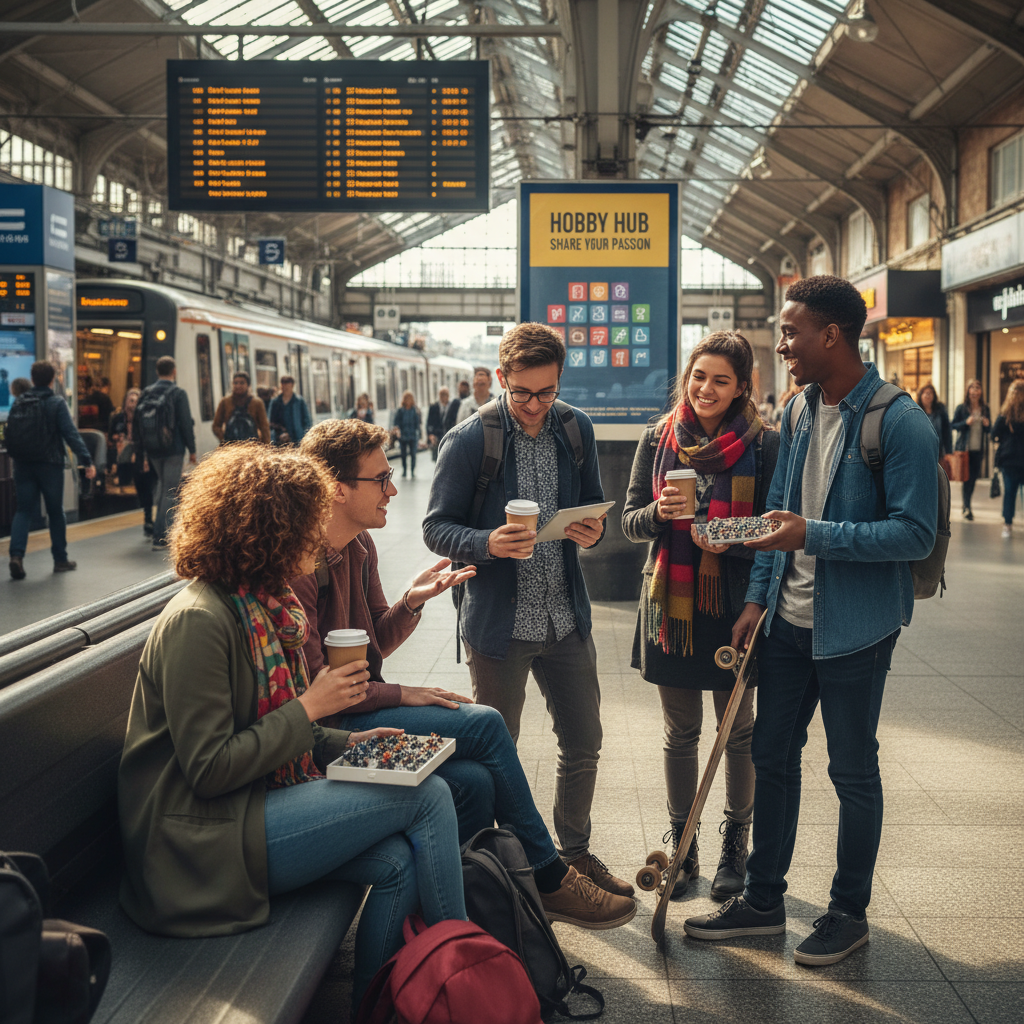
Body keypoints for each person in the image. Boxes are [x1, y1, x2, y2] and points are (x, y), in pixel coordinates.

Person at [117, 444, 467, 1010]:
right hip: (197, 844)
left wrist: (347, 741)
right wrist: (309, 709)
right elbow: (209, 770)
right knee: (427, 797)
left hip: (244, 810)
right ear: (270, 533)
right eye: (310, 523)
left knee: (398, 862)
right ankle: (462, 978)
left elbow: (264, 727)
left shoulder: (262, 606)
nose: (320, 537)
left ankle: (375, 1009)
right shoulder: (199, 622)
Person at [291, 418, 637, 929]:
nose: (392, 490)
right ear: (336, 489)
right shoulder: (300, 566)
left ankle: (481, 913)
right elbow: (320, 692)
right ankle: (547, 877)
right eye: (381, 479)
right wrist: (403, 693)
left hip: (357, 708)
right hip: (329, 733)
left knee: (474, 781)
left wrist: (411, 602)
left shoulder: (360, 546)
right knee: (486, 724)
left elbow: (376, 642)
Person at [683, 276, 938, 966]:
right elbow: (777, 515)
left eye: (791, 332)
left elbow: (915, 534)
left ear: (831, 335)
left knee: (852, 770)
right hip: (786, 623)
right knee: (772, 757)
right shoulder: (797, 410)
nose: (782, 345)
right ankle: (763, 901)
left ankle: (848, 913)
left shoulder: (900, 422)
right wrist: (757, 599)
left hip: (857, 629)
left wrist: (814, 535)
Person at [424, 323, 634, 901]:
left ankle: (573, 855)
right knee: (499, 751)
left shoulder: (576, 428)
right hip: (500, 624)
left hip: (565, 617)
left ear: (560, 381)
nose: (536, 405)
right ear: (502, 379)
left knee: (584, 741)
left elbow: (591, 509)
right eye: (522, 393)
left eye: (547, 392)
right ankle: (509, 868)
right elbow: (436, 528)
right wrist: (486, 543)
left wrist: (592, 532)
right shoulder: (471, 440)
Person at [622, 332, 780, 901]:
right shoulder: (657, 437)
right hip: (673, 604)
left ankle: (735, 845)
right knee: (681, 731)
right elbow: (629, 521)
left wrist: (724, 536)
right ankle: (683, 846)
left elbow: (775, 527)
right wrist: (658, 514)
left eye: (720, 380)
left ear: (741, 387)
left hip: (734, 606)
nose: (705, 388)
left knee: (737, 731)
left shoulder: (765, 445)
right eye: (698, 376)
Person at [7, 361, 97, 579]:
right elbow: (71, 434)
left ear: (32, 378)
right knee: (55, 512)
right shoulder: (56, 402)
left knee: (23, 511)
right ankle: (60, 560)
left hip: (23, 465)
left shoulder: (19, 402)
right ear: (52, 379)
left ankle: (16, 556)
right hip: (50, 465)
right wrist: (87, 460)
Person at [139, 356, 196, 551]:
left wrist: (142, 451)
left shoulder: (146, 393)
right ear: (174, 371)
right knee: (170, 491)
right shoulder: (178, 393)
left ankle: (160, 531)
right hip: (173, 449)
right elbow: (186, 423)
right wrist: (192, 449)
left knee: (163, 487)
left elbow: (139, 423)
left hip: (153, 449)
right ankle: (161, 537)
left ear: (157, 371)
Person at [109, 388, 158, 535]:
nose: (133, 403)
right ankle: (143, 514)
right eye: (130, 400)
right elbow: (110, 435)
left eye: (136, 400)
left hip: (141, 455)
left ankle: (148, 518)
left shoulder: (144, 417)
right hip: (123, 455)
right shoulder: (118, 418)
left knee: (145, 485)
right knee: (131, 485)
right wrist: (117, 438)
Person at [950, 379, 991, 520]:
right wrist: (965, 423)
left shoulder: (985, 409)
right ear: (968, 391)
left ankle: (966, 505)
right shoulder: (962, 408)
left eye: (977, 388)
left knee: (973, 478)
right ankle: (966, 506)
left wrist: (987, 425)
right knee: (966, 478)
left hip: (978, 449)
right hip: (965, 449)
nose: (975, 390)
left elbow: (989, 430)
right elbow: (953, 425)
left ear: (981, 392)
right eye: (972, 388)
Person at [993, 379, 1024, 539]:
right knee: (1014, 493)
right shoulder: (1006, 415)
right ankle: (1008, 524)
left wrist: (1004, 441)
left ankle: (1008, 525)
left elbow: (993, 434)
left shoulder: (1004, 415)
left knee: (1010, 493)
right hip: (1015, 459)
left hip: (1009, 459)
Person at [213, 371, 271, 445]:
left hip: (252, 446)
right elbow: (216, 426)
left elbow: (264, 427)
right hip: (231, 447)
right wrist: (224, 439)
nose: (238, 386)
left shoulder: (257, 403)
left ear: (248, 385)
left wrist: (265, 446)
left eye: (242, 383)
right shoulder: (225, 402)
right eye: (235, 383)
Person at [267, 375, 313, 446]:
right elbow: (271, 422)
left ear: (292, 386)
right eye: (283, 387)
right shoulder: (275, 402)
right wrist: (279, 433)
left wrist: (305, 436)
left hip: (297, 438)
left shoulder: (299, 401)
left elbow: (307, 420)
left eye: (287, 387)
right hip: (280, 440)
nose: (285, 389)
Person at [916, 383, 952, 458]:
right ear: (920, 395)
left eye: (930, 393)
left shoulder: (940, 409)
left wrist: (948, 451)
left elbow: (946, 431)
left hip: (938, 450)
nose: (928, 395)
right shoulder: (916, 411)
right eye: (925, 393)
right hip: (922, 450)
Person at [391, 389, 421, 478]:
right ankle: (404, 470)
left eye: (410, 398)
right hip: (403, 435)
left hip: (412, 435)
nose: (408, 400)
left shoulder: (414, 410)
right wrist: (397, 430)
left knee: (413, 454)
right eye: (406, 398)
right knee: (403, 454)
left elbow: (417, 424)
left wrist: (419, 435)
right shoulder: (400, 411)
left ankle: (412, 471)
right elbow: (396, 422)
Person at [426, 387, 451, 461]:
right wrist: (430, 434)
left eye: (445, 394)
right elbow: (429, 422)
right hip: (436, 436)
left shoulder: (452, 406)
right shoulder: (433, 407)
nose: (444, 396)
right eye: (442, 394)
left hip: (449, 435)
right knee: (437, 459)